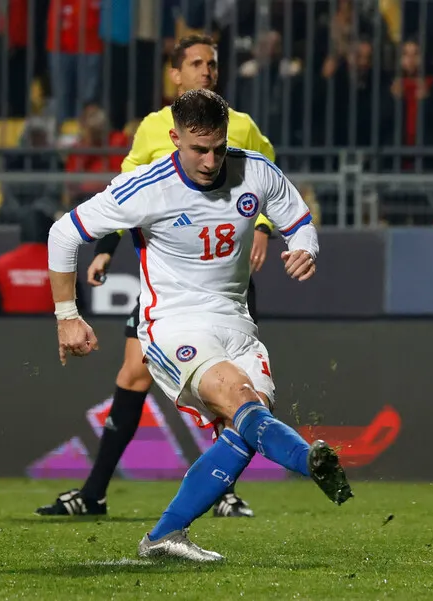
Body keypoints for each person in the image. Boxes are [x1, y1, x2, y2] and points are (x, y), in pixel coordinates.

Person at [47, 88, 353, 561]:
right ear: (175, 138)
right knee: (242, 400)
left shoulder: (256, 170)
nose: (211, 161)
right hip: (174, 324)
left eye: (218, 148)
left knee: (246, 426)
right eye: (198, 149)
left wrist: (305, 249)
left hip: (236, 321)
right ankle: (309, 462)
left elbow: (299, 221)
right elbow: (64, 232)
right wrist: (67, 316)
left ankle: (165, 536)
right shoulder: (147, 187)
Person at [36, 34, 275, 518]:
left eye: (212, 63)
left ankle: (211, 490)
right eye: (195, 63)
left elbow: (270, 182)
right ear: (175, 74)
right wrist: (106, 249)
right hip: (165, 283)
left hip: (222, 281)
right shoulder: (152, 129)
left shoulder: (242, 127)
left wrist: (266, 228)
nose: (207, 70)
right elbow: (127, 195)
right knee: (134, 373)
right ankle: (99, 492)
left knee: (219, 379)